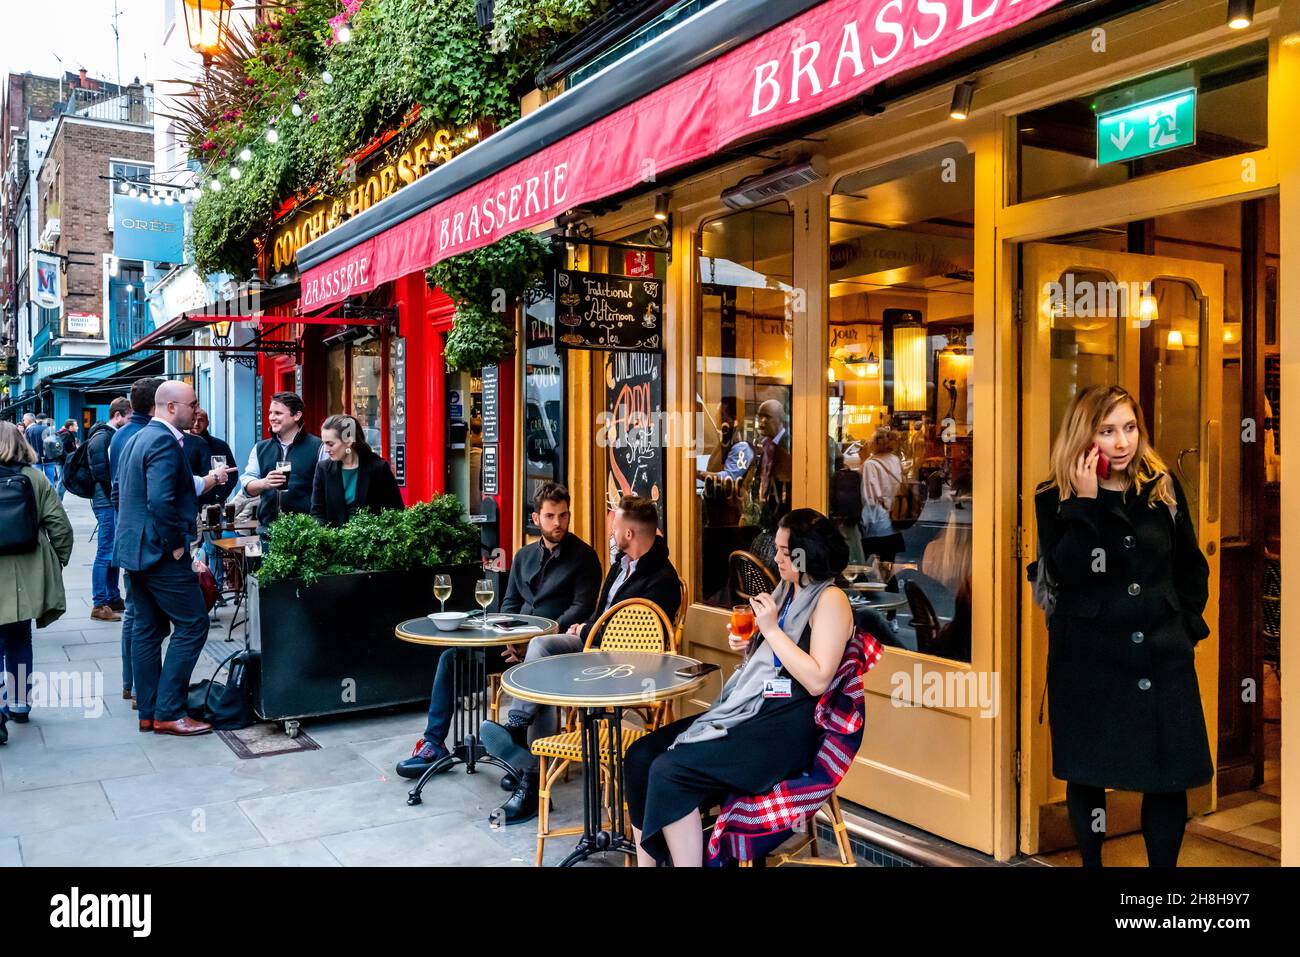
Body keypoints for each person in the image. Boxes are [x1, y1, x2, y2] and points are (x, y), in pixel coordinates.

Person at [1034, 384, 1212, 868]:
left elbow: (1191, 567)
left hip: (1162, 655)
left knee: (1167, 775)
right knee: (1088, 773)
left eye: (1129, 428)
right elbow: (1065, 573)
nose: (1122, 441)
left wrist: (1186, 625)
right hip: (1089, 662)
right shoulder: (1055, 496)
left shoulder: (1161, 486)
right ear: (1084, 434)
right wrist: (1085, 506)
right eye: (1107, 430)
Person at [624, 508, 854, 866]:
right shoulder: (788, 590)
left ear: (807, 552)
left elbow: (817, 679)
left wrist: (772, 631)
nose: (774, 557)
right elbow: (772, 663)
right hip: (753, 709)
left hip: (785, 728)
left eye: (782, 550)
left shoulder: (830, 600)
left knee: (670, 771)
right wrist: (751, 644)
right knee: (639, 757)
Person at [396, 484, 601, 815]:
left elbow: (579, 610)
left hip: (558, 650)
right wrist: (509, 640)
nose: (558, 522)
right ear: (536, 518)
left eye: (563, 515)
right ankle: (433, 743)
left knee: (536, 674)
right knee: (453, 658)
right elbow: (508, 604)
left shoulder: (584, 557)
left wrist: (533, 639)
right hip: (514, 645)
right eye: (550, 516)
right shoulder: (523, 556)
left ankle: (526, 767)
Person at [479, 494, 680, 824]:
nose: (612, 533)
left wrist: (586, 628)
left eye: (616, 528)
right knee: (542, 651)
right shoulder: (622, 564)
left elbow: (630, 635)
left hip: (625, 667)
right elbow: (603, 613)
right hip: (595, 647)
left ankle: (529, 778)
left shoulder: (662, 580)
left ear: (629, 533)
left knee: (543, 667)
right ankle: (519, 732)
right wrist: (587, 628)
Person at [112, 380, 236, 736]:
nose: (196, 410)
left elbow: (132, 493)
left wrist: (207, 482)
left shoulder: (139, 437)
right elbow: (161, 501)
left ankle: (149, 713)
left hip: (136, 552)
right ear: (170, 407)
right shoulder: (165, 441)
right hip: (160, 554)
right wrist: (175, 544)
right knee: (193, 624)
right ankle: (168, 711)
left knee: (147, 631)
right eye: (192, 404)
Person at [0, 421, 74, 739]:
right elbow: (59, 525)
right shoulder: (34, 477)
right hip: (25, 572)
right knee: (19, 639)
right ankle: (18, 705)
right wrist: (57, 562)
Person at [109, 377, 163, 706]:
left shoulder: (123, 435)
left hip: (128, 534)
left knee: (135, 614)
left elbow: (117, 491)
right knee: (146, 619)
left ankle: (132, 685)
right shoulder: (147, 436)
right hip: (148, 541)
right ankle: (144, 690)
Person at [239, 391, 324, 525]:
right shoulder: (260, 448)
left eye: (278, 413)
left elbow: (326, 490)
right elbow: (247, 486)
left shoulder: (318, 447)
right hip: (268, 531)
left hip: (304, 532)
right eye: (270, 413)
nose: (272, 417)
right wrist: (264, 483)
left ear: (297, 415)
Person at [310, 413, 404, 526]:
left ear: (349, 441)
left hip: (370, 541)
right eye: (324, 443)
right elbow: (317, 513)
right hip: (333, 541)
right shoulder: (323, 469)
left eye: (330, 444)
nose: (326, 450)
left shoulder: (378, 468)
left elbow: (395, 511)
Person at [86, 397, 131, 622]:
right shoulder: (103, 436)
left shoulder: (109, 435)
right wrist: (116, 495)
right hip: (105, 501)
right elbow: (103, 473)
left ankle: (112, 597)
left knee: (112, 550)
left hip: (108, 499)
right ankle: (99, 603)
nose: (131, 422)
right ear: (118, 415)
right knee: (105, 551)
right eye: (129, 418)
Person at [859, 426, 905, 563]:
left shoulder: (870, 464)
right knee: (888, 568)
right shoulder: (895, 460)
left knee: (871, 570)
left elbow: (869, 498)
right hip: (894, 521)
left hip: (877, 524)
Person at [25, 413, 60, 490]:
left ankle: (39, 499)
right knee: (50, 480)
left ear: (36, 420)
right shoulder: (51, 429)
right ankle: (51, 498)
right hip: (49, 458)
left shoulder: (30, 430)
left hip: (36, 459)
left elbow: (26, 446)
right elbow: (57, 444)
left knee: (37, 481)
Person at [55, 419, 78, 499]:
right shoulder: (66, 434)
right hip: (62, 462)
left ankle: (58, 503)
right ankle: (58, 504)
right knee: (62, 482)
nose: (77, 427)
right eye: (76, 425)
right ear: (70, 426)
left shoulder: (68, 434)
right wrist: (68, 457)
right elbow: (59, 447)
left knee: (63, 482)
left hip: (63, 462)